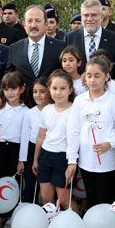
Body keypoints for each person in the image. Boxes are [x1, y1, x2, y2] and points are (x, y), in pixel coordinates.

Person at [72, 57, 115, 228]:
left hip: (107, 163)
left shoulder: (114, 101)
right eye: (89, 76)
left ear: (106, 77)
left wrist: (110, 143)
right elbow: (74, 130)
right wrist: (72, 157)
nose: (92, 80)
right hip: (86, 161)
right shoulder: (79, 100)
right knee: (92, 199)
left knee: (106, 199)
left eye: (97, 76)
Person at [32, 70, 79, 211]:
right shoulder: (47, 110)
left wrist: (72, 163)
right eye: (54, 88)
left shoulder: (74, 111)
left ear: (70, 90)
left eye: (62, 88)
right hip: (46, 155)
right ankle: (51, 227)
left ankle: (78, 227)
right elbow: (41, 136)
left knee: (64, 199)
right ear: (49, 89)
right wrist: (36, 159)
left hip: (63, 158)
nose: (58, 92)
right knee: (46, 197)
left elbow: (74, 140)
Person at [0, 71, 27, 228]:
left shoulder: (26, 111)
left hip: (15, 149)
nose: (10, 93)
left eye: (14, 88)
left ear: (22, 89)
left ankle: (12, 213)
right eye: (6, 89)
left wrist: (22, 159)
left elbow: (25, 137)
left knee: (14, 183)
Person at [6, 6, 65, 101]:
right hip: (23, 105)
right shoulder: (14, 48)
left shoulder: (61, 47)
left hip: (52, 105)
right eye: (29, 21)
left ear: (46, 24)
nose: (33, 25)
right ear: (24, 25)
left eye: (38, 21)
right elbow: (8, 77)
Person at [65, 0, 115, 80]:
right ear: (81, 18)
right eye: (86, 15)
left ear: (101, 17)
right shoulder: (70, 38)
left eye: (94, 15)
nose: (89, 19)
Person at [18, 76, 51, 206]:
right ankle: (28, 212)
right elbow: (25, 138)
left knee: (46, 187)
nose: (38, 95)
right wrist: (22, 160)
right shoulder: (29, 113)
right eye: (35, 91)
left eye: (42, 91)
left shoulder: (54, 110)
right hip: (31, 152)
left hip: (48, 150)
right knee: (30, 185)